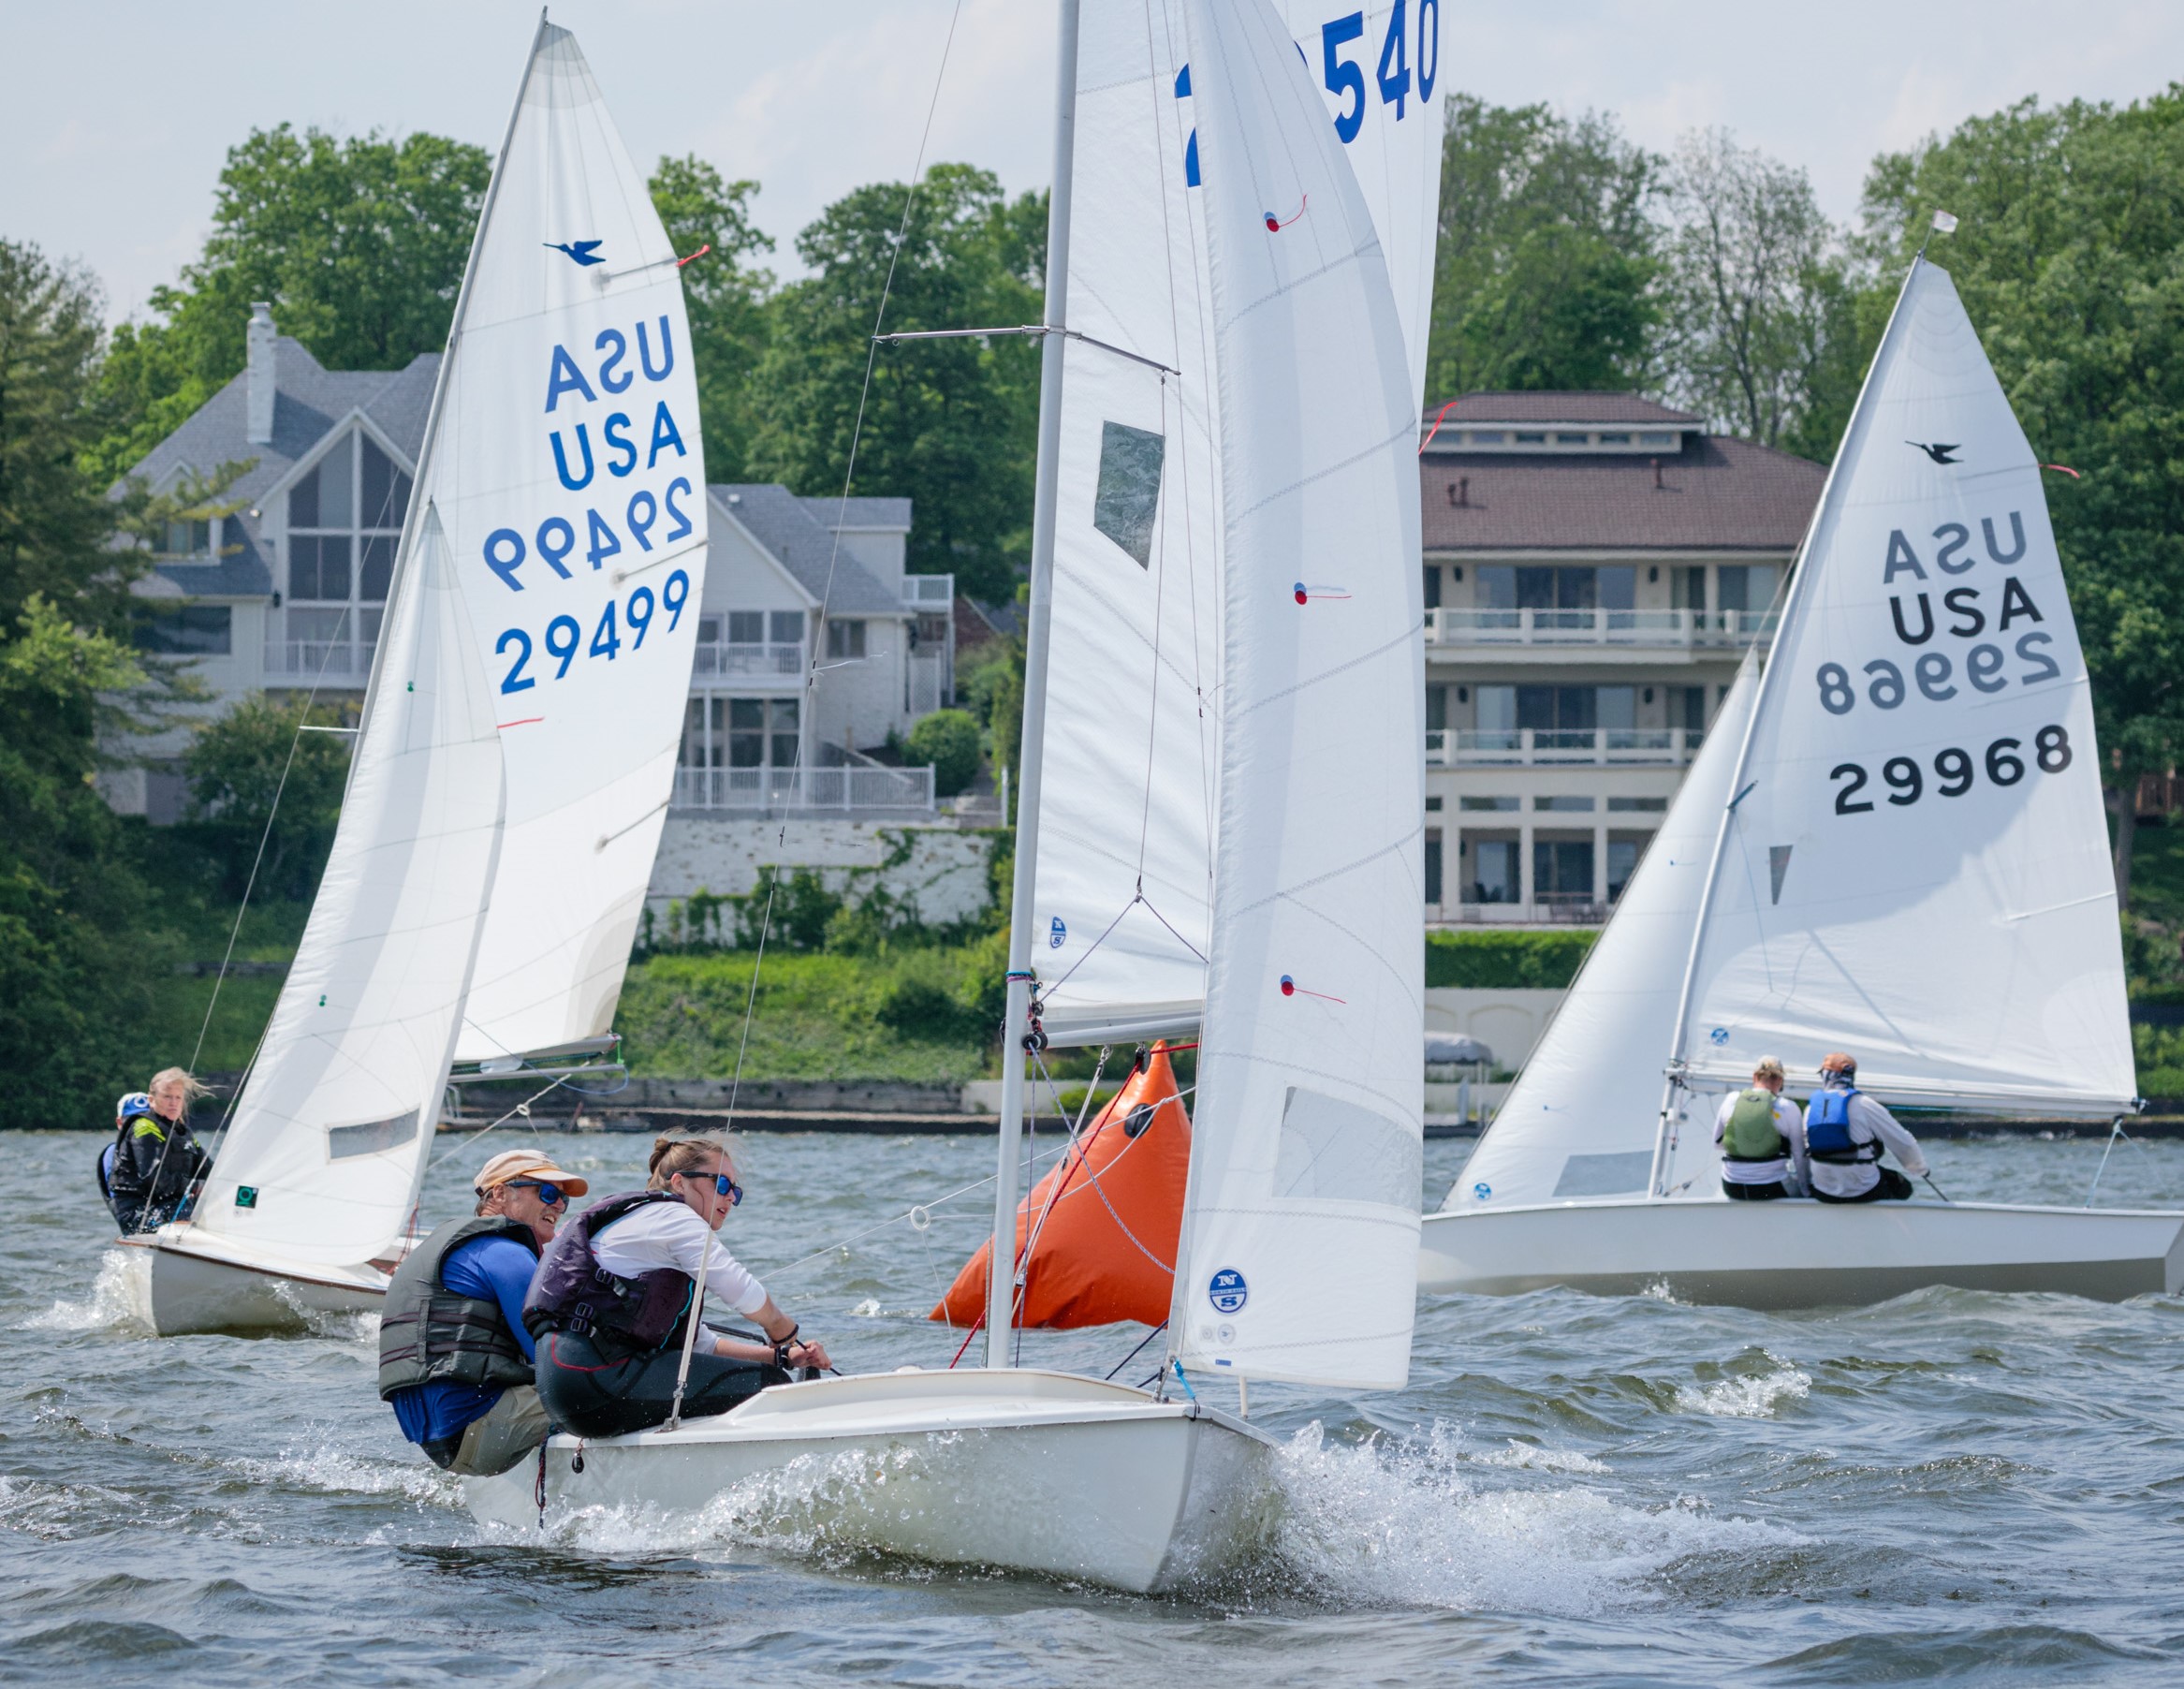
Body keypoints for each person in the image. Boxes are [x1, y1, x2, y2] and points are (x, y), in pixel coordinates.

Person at [527, 1135, 830, 1440]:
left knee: (765, 1372)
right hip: (595, 1378)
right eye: (721, 1185)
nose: (729, 1198)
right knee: (769, 1385)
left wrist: (782, 1357)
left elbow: (702, 1345)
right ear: (679, 1182)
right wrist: (782, 1329)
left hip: (570, 1386)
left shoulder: (646, 1223)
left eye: (735, 1191)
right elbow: (740, 1290)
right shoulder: (673, 1216)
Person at [379, 1150, 590, 1476]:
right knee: (619, 1391)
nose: (559, 1205)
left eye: (563, 1198)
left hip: (442, 1439)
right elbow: (553, 1357)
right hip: (477, 1429)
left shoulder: (454, 1245)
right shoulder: (504, 1252)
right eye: (547, 1192)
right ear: (500, 1193)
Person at [1803, 1051, 1928, 1203]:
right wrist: (1920, 1169)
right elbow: (1903, 1142)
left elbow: (1805, 1150)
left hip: (1824, 1192)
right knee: (1903, 1187)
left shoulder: (1810, 1109)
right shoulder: (1864, 1104)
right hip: (1864, 1191)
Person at [105, 1068, 214, 1233]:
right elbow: (155, 1180)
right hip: (138, 1211)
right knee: (184, 1211)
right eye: (167, 1096)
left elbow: (208, 1170)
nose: (174, 1102)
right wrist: (194, 1186)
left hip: (170, 1206)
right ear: (152, 1099)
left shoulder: (183, 1132)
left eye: (178, 1097)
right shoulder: (143, 1127)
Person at [1713, 1055, 1809, 1200]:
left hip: (1733, 1187)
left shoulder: (1732, 1099)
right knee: (1799, 1193)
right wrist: (1805, 1190)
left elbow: (1717, 1144)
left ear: (1754, 1077)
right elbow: (1798, 1155)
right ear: (1780, 1081)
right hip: (1771, 1188)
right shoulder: (1788, 1107)